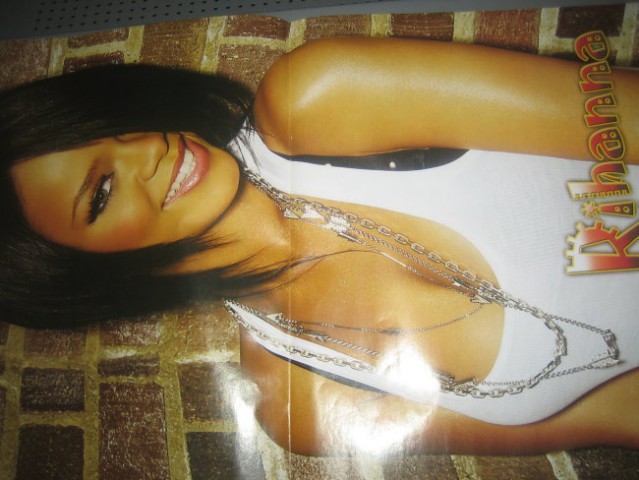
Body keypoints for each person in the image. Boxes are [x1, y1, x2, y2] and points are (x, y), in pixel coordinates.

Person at [1, 37, 639, 455]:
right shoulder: (298, 402)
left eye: (114, 128)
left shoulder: (316, 99)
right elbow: (618, 417)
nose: (148, 149)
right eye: (102, 192)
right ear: (88, 278)